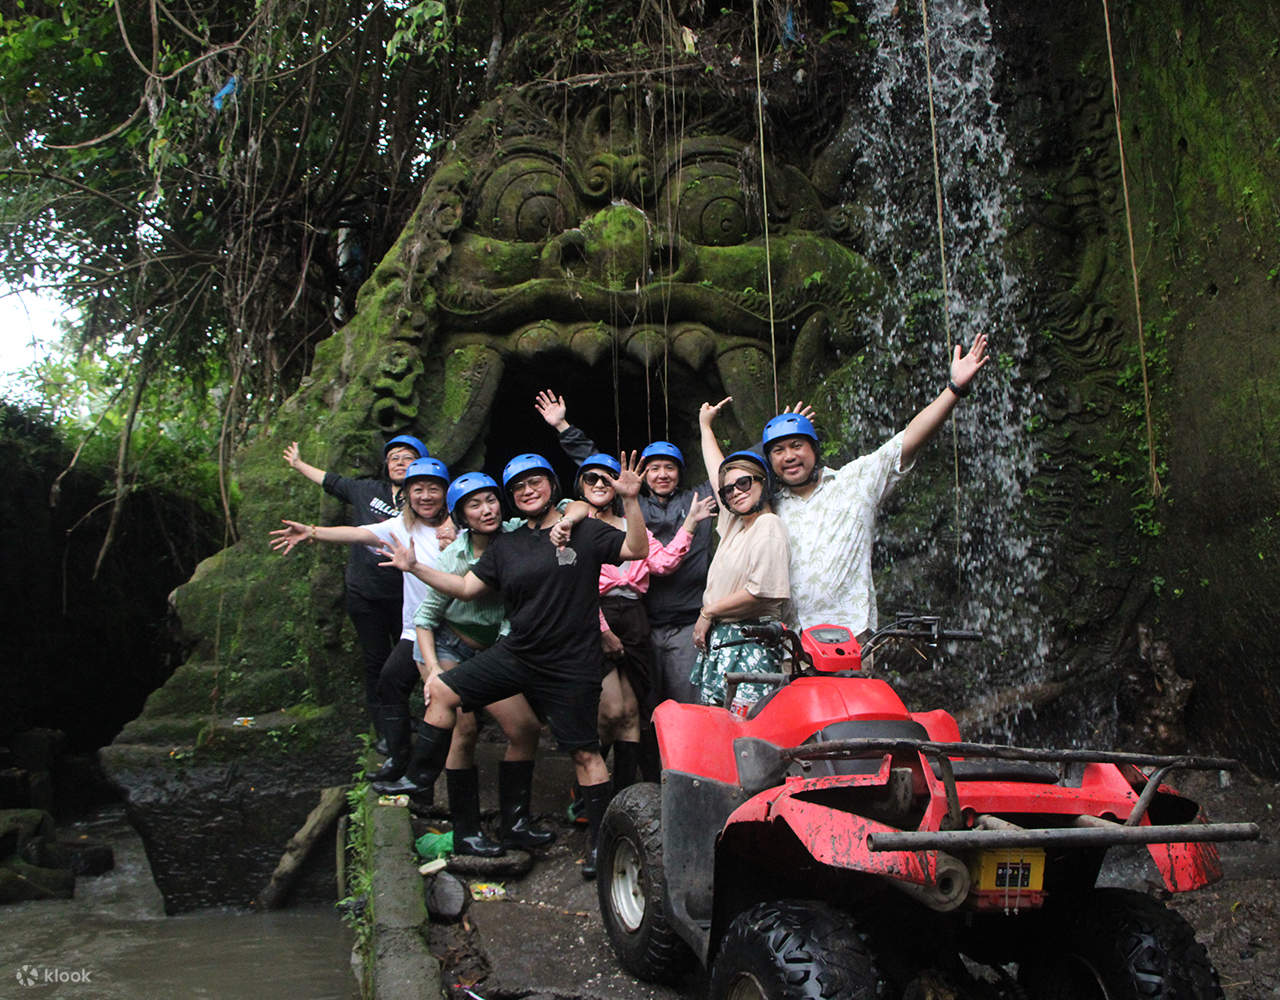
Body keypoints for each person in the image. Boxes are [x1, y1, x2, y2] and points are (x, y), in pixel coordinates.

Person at [378, 452, 649, 879]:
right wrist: (416, 568)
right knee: (444, 690)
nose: (528, 490)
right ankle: (418, 778)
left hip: (572, 662)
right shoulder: (506, 544)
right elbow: (466, 588)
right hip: (518, 653)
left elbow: (636, 548)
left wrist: (630, 500)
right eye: (519, 486)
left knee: (584, 752)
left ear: (551, 487)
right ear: (512, 498)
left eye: (535, 482)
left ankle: (601, 843)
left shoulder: (583, 530)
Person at [763, 334, 989, 642]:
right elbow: (729, 481)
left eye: (796, 445)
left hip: (852, 636)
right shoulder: (769, 505)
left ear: (815, 450)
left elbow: (907, 441)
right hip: (792, 642)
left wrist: (954, 389)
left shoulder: (854, 482)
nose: (789, 456)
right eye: (778, 451)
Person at [398, 472, 554, 856]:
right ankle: (466, 830)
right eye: (474, 504)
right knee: (463, 729)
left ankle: (515, 823)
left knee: (525, 728)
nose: (487, 510)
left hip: (495, 649)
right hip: (449, 647)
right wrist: (432, 670)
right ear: (461, 516)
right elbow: (424, 617)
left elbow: (568, 510)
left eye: (491, 500)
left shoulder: (519, 535)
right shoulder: (455, 556)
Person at [271, 456, 450, 784]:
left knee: (444, 700)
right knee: (390, 683)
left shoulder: (458, 527)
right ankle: (400, 760)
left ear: (446, 493)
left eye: (434, 489)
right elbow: (356, 534)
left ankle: (426, 776)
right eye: (418, 489)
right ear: (406, 495)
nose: (426, 496)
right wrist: (312, 531)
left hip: (450, 630)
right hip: (417, 629)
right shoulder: (399, 526)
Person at [534, 391, 713, 706]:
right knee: (600, 698)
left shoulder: (685, 504)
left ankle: (647, 753)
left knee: (643, 696)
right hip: (602, 612)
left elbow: (728, 475)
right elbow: (595, 473)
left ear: (681, 473)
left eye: (669, 467)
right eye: (653, 468)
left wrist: (772, 446)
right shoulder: (622, 505)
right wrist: (562, 426)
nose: (661, 474)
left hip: (663, 617)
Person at [571, 453, 714, 790]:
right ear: (579, 486)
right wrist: (603, 630)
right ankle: (586, 790)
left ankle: (626, 794)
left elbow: (662, 563)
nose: (600, 484)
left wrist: (690, 522)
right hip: (596, 613)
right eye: (590, 479)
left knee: (635, 707)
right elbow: (577, 585)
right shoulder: (576, 526)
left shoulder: (633, 527)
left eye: (607, 478)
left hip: (635, 615)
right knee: (606, 709)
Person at [282, 433, 427, 740]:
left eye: (408, 458)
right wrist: (298, 464)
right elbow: (331, 481)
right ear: (385, 466)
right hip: (367, 595)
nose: (401, 463)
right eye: (394, 458)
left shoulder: (426, 500)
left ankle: (404, 718)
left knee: (412, 661)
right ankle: (385, 729)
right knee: (376, 662)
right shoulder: (365, 490)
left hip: (409, 597)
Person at [691, 399, 792, 712]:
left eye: (744, 483)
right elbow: (716, 473)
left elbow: (762, 592)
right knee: (718, 730)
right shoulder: (735, 522)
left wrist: (708, 613)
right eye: (729, 490)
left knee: (746, 732)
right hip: (725, 643)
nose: (735, 491)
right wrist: (705, 426)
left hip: (752, 642)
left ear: (763, 482)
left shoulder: (768, 525)